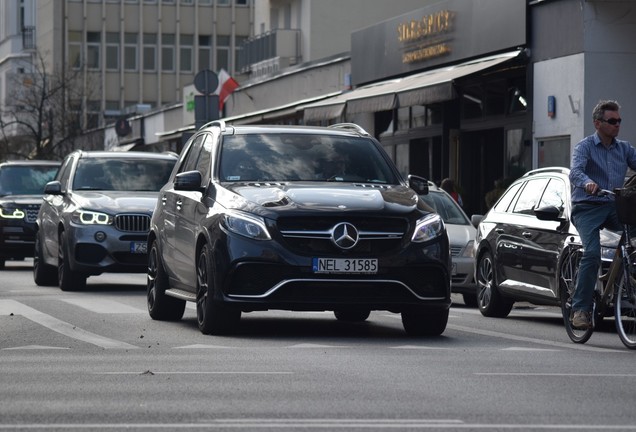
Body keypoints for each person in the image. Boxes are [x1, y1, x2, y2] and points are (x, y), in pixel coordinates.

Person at [569, 99, 636, 329]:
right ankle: (580, 309)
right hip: (587, 207)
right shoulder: (585, 147)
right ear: (598, 123)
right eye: (612, 121)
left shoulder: (624, 148)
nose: (617, 124)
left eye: (619, 120)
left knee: (632, 239)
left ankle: (624, 274)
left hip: (614, 205)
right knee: (592, 254)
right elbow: (575, 172)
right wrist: (588, 183)